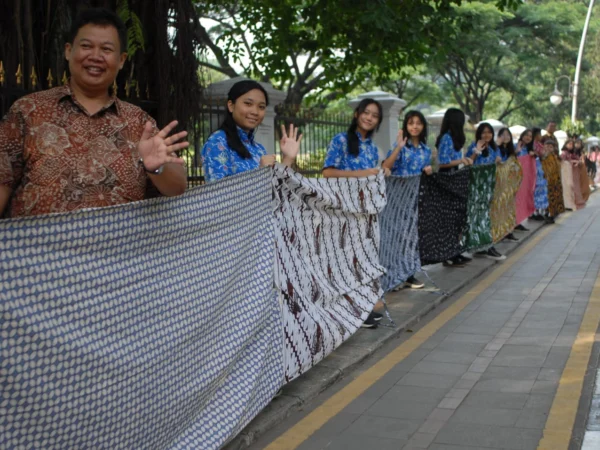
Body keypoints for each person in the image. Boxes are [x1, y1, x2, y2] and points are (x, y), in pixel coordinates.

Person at [0, 8, 189, 218]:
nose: (96, 56)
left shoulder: (139, 123)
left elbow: (178, 187)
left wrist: (157, 168)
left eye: (107, 49)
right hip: (37, 249)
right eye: (86, 46)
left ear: (121, 60)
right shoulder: (28, 111)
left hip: (119, 249)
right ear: (68, 51)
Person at [322, 98, 388, 328]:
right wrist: (364, 173)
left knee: (364, 259)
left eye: (374, 115)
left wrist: (378, 173)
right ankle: (350, 309)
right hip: (342, 212)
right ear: (356, 114)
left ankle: (363, 306)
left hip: (366, 213)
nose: (369, 118)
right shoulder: (340, 140)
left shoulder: (372, 147)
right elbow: (328, 173)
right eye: (366, 113)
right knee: (345, 260)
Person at [201, 80, 301, 182]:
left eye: (261, 107)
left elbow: (275, 190)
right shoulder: (217, 142)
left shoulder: (259, 149)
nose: (255, 112)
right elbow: (219, 193)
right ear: (231, 106)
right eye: (248, 104)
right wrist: (259, 173)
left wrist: (288, 159)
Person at [382, 110, 432, 290]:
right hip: (395, 201)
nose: (415, 126)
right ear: (406, 126)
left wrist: (428, 172)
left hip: (414, 201)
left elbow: (424, 175)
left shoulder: (426, 151)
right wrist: (398, 148)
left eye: (418, 123)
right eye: (411, 123)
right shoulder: (400, 146)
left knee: (411, 238)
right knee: (394, 237)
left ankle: (409, 274)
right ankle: (393, 276)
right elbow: (386, 166)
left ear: (423, 126)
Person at [435, 108, 473, 268]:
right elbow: (442, 162)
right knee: (449, 219)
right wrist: (461, 161)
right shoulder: (446, 138)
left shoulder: (453, 138)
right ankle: (448, 254)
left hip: (454, 178)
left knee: (457, 217)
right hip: (447, 179)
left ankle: (455, 251)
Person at [466, 122, 506, 261]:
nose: (486, 135)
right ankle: (486, 246)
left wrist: (498, 161)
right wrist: (476, 151)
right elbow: (468, 162)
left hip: (490, 185)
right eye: (483, 132)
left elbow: (498, 163)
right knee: (477, 216)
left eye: (489, 132)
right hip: (476, 186)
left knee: (487, 215)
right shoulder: (473, 146)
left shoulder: (495, 147)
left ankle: (483, 246)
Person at [496, 127, 519, 241]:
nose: (506, 137)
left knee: (509, 206)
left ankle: (508, 230)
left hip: (509, 183)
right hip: (498, 183)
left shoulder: (511, 150)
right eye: (503, 135)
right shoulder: (496, 149)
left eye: (508, 135)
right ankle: (499, 232)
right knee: (500, 207)